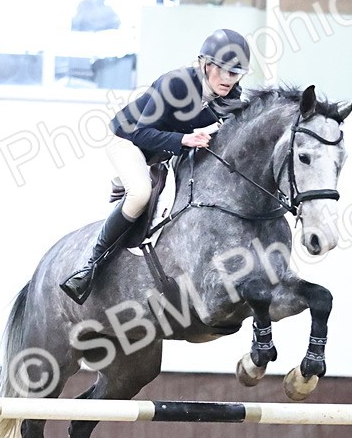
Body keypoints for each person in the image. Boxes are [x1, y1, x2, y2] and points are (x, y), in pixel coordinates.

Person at [59, 28, 252, 304]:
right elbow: (140, 133)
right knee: (140, 193)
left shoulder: (231, 95)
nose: (227, 79)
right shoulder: (176, 84)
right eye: (221, 70)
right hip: (129, 140)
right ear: (205, 64)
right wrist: (185, 139)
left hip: (165, 148)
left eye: (234, 73)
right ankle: (90, 265)